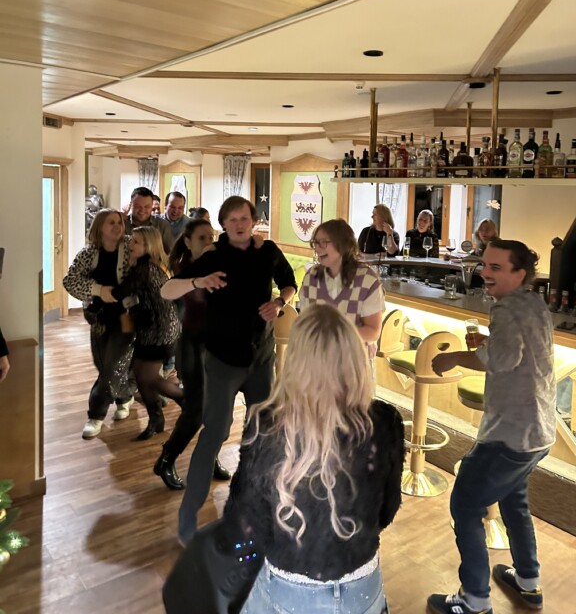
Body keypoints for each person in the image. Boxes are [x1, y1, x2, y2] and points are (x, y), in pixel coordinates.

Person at [224, 304, 404, 614]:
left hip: (287, 590)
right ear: (355, 358)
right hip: (362, 589)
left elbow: (246, 519)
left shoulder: (266, 425)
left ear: (295, 361)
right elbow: (386, 511)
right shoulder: (385, 422)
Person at [428, 239, 555, 614]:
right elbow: (516, 351)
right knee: (515, 502)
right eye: (485, 265)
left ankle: (475, 600)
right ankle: (528, 582)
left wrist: (454, 357)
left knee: (465, 505)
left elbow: (501, 360)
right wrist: (489, 341)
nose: (485, 272)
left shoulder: (506, 308)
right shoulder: (533, 303)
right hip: (538, 432)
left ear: (519, 273)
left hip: (509, 434)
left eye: (496, 267)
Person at [161, 196, 297, 544]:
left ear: (253, 221)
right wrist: (198, 282)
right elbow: (167, 290)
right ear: (223, 224)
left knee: (261, 434)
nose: (239, 224)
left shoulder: (267, 251)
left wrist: (280, 302)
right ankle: (187, 517)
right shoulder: (213, 256)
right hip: (222, 360)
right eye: (232, 219)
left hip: (261, 358)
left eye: (244, 218)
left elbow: (289, 283)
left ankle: (254, 509)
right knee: (214, 433)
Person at [153, 219, 230, 489]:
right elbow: (168, 292)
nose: (209, 242)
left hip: (221, 347)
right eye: (202, 238)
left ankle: (209, 455)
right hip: (194, 346)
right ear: (187, 242)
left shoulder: (221, 265)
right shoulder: (185, 270)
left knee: (222, 412)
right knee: (196, 410)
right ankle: (167, 459)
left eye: (212, 237)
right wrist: (198, 281)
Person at [63, 209, 134, 439]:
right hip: (99, 318)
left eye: (120, 222)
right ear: (99, 227)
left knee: (114, 364)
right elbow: (70, 281)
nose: (117, 226)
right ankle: (124, 395)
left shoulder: (131, 247)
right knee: (103, 364)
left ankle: (96, 414)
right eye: (111, 222)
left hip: (126, 317)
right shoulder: (88, 253)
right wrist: (98, 290)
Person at [111, 226, 182, 440]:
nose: (130, 245)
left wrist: (97, 288)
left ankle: (185, 400)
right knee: (141, 373)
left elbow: (119, 293)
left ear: (148, 246)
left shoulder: (145, 268)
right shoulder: (154, 264)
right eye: (131, 240)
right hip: (154, 327)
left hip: (160, 330)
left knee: (147, 376)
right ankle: (155, 419)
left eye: (136, 242)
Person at [298, 219, 384, 358]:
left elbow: (373, 331)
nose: (317, 249)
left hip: (352, 362)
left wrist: (332, 337)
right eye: (315, 243)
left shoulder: (367, 280)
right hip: (316, 361)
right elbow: (305, 323)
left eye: (323, 242)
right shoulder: (311, 277)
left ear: (343, 244)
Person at [124, 186, 173, 253]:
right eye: (138, 206)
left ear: (152, 205)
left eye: (147, 207)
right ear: (131, 205)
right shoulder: (122, 224)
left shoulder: (162, 225)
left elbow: (169, 253)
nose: (142, 210)